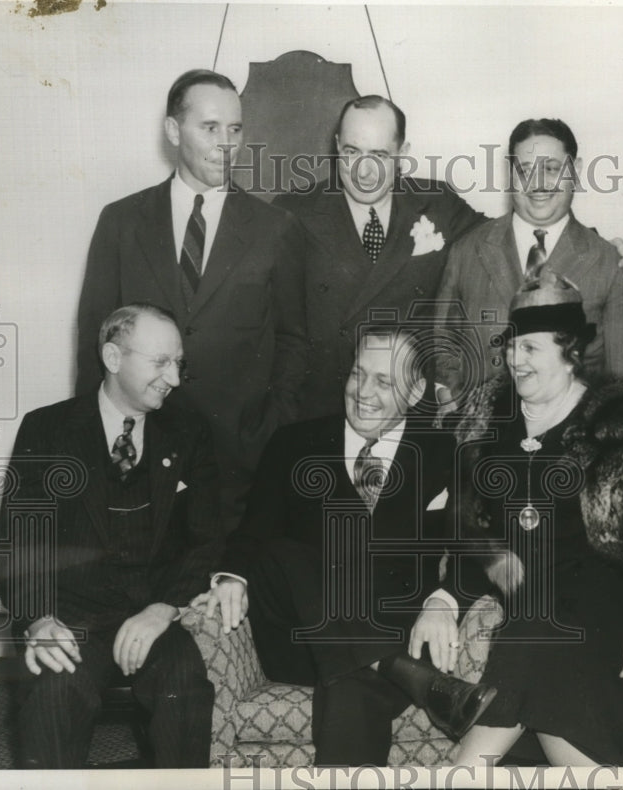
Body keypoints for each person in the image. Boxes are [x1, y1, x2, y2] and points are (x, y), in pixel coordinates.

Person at [411, 270, 623, 766]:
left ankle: (466, 769)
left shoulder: (620, 425)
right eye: (511, 347)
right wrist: (447, 594)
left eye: (531, 348)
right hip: (524, 595)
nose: (515, 360)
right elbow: (476, 532)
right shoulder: (491, 419)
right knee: (533, 628)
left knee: (535, 634)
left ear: (570, 351)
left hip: (601, 602)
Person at [199, 324, 496, 766]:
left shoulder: (443, 451)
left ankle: (389, 665)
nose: (363, 392)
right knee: (282, 555)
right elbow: (251, 534)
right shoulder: (293, 443)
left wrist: (444, 600)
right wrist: (231, 576)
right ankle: (401, 670)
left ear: (416, 392)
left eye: (383, 381)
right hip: (300, 638)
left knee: (351, 686)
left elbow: (480, 550)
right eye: (358, 374)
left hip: (399, 631)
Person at [75, 69, 307, 532]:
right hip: (140, 454)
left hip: (239, 467)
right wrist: (94, 444)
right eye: (210, 127)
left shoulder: (275, 229)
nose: (227, 143)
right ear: (173, 130)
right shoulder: (121, 222)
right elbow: (93, 343)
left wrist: (267, 433)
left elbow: (294, 342)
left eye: (235, 129)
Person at [0, 304, 221, 768]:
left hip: (153, 615)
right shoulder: (48, 429)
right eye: (160, 362)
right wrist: (39, 620)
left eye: (178, 363)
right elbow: (20, 544)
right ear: (114, 358)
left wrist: (162, 610)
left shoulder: (190, 430)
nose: (174, 379)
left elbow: (207, 538)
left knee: (186, 690)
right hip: (70, 617)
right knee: (54, 696)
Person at [274, 95, 485, 421]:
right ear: (336, 146)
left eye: (380, 155)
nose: (364, 172)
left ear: (403, 153)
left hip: (412, 413)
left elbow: (501, 245)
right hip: (321, 414)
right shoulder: (294, 213)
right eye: (351, 152)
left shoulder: (438, 203)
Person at [435, 118, 623, 409]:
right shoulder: (467, 251)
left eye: (552, 169)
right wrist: (453, 407)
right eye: (525, 170)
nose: (538, 183)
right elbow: (443, 346)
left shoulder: (608, 262)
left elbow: (618, 382)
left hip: (571, 441)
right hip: (485, 439)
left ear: (576, 171)